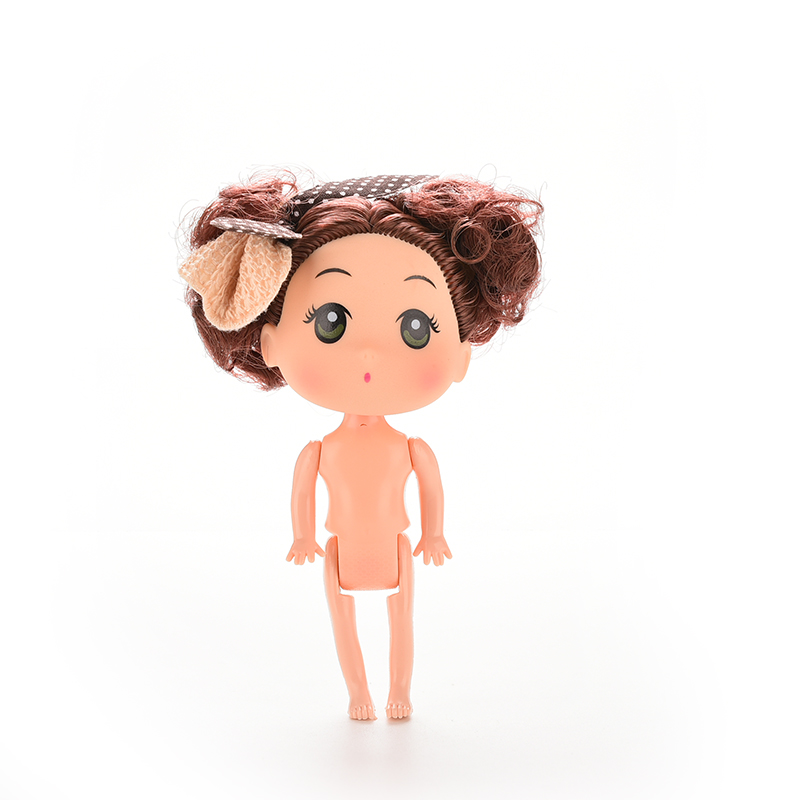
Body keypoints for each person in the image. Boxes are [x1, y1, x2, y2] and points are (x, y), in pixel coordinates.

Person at [180, 172, 543, 719]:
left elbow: (431, 491)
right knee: (343, 622)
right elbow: (303, 496)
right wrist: (303, 536)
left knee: (402, 619)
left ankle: (400, 691)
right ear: (271, 342)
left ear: (460, 354)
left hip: (397, 547)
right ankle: (358, 693)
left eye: (416, 327)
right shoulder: (318, 452)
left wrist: (433, 533)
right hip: (337, 552)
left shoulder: (412, 449)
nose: (370, 353)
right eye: (331, 322)